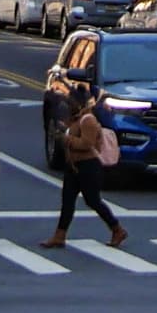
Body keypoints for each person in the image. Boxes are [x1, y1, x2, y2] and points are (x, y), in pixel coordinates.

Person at [48, 100, 130, 248]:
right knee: (67, 201)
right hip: (73, 166)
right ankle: (59, 235)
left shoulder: (88, 120)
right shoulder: (75, 121)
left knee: (93, 200)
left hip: (89, 166)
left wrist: (67, 139)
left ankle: (117, 229)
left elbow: (87, 143)